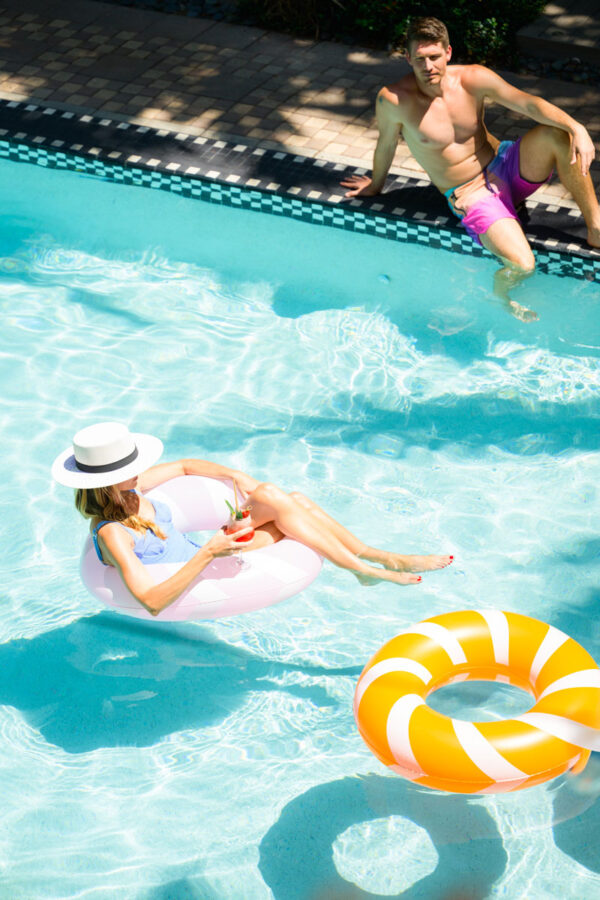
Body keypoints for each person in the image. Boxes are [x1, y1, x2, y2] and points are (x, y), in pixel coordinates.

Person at [341, 16, 600, 319]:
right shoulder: (394, 100)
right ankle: (501, 295)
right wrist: (375, 185)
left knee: (558, 135)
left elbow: (528, 103)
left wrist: (577, 127)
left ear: (448, 53)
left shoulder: (472, 79)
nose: (429, 67)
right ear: (408, 57)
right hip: (471, 193)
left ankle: (595, 227)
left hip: (505, 165)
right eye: (420, 59)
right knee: (522, 266)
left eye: (435, 57)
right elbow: (386, 145)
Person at [52, 422, 453, 617]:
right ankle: (369, 564)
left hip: (212, 551)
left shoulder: (134, 490)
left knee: (285, 498)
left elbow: (187, 466)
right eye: (131, 465)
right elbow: (152, 601)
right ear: (107, 481)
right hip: (205, 566)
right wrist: (210, 551)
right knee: (284, 501)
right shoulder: (114, 534)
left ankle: (370, 561)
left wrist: (235, 477)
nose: (142, 468)